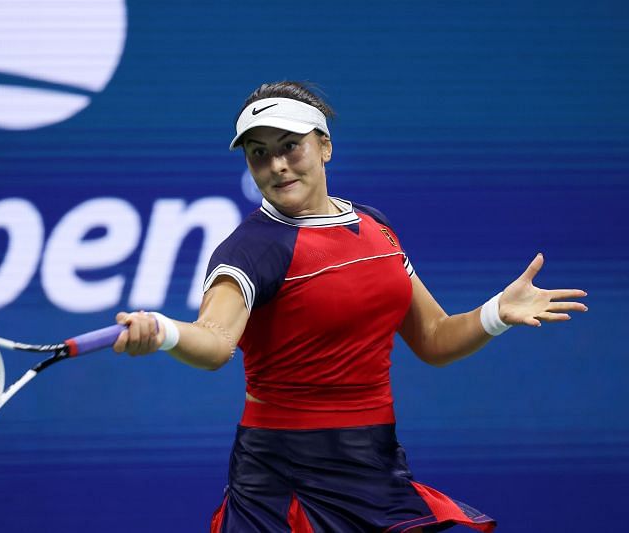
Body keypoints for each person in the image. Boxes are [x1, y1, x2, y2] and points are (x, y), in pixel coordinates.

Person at [112, 81, 588, 532]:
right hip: (283, 482)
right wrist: (164, 331)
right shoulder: (250, 250)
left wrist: (495, 314)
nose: (276, 165)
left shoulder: (375, 228)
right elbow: (215, 340)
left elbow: (435, 338)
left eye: (289, 146)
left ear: (324, 147)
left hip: (374, 467)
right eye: (260, 155)